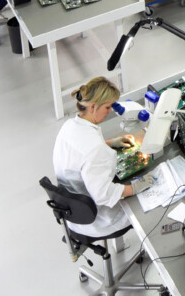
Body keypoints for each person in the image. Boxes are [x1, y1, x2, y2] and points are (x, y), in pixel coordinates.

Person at [52, 77, 141, 238]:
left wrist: (110, 143)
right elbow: (104, 194)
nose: (110, 112)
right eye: (107, 107)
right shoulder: (94, 148)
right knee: (151, 200)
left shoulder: (70, 125)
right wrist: (137, 187)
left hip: (74, 211)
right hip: (98, 220)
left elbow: (80, 154)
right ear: (93, 106)